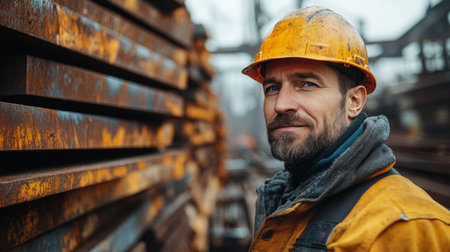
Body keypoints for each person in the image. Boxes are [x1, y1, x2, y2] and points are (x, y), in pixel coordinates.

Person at [241, 6, 450, 251]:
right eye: (272, 88)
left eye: (307, 84)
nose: (281, 104)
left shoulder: (408, 227)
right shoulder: (283, 199)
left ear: (354, 101)